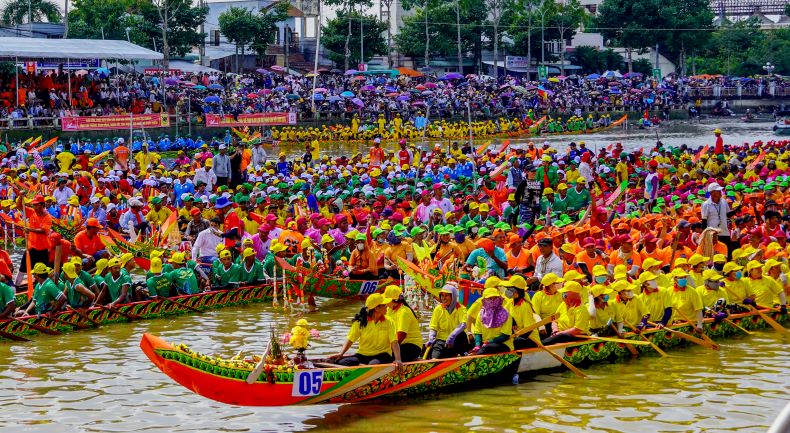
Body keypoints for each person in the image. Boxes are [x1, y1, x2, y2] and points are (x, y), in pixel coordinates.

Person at [330, 293, 403, 368]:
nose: (387, 307)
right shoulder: (359, 322)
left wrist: (398, 359)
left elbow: (394, 342)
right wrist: (341, 354)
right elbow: (350, 339)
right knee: (342, 363)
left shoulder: (389, 322)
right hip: (362, 355)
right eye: (384, 305)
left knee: (373, 365)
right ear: (376, 308)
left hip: (382, 355)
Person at [15, 194, 52, 286]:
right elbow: (19, 206)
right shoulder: (32, 212)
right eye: (33, 205)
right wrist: (20, 196)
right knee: (23, 267)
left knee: (42, 270)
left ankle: (42, 286)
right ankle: (16, 285)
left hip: (42, 249)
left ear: (42, 205)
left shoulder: (47, 217)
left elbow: (43, 230)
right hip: (31, 247)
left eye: (36, 205)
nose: (34, 207)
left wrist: (29, 229)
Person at [427, 283, 470, 359]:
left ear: (453, 297)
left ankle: (463, 355)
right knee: (435, 356)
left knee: (462, 335)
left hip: (457, 339)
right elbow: (433, 327)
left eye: (446, 295)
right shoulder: (438, 309)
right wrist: (431, 337)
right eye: (442, 296)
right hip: (442, 340)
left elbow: (463, 325)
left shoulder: (461, 308)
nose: (444, 298)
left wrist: (452, 337)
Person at [382, 285, 423, 362]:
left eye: (387, 300)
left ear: (394, 301)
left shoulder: (404, 312)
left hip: (412, 346)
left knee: (386, 357)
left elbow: (401, 335)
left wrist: (388, 349)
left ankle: (415, 359)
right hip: (399, 344)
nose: (385, 303)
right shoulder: (389, 310)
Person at [472, 287, 513, 354]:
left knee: (487, 348)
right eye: (490, 299)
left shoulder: (505, 314)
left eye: (495, 298)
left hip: (503, 344)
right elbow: (478, 332)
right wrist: (477, 345)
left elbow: (505, 335)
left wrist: (489, 342)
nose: (493, 301)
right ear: (484, 300)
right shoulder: (481, 314)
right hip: (485, 344)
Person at [504, 275, 540, 349]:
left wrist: (513, 338)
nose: (508, 291)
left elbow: (528, 330)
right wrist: (512, 320)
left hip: (530, 339)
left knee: (515, 341)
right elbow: (503, 313)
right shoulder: (510, 302)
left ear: (517, 291)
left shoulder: (525, 306)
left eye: (510, 289)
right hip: (516, 335)